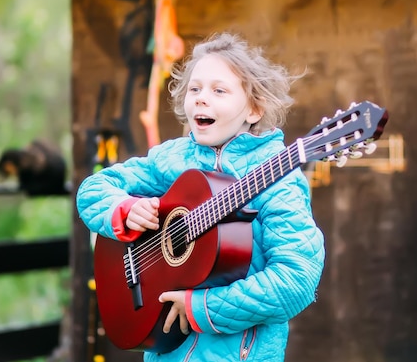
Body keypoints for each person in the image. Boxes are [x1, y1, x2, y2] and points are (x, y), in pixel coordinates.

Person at [76, 32, 325, 362]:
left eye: (219, 90)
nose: (201, 98)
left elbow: (297, 280)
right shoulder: (172, 159)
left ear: (254, 109)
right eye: (194, 89)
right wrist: (125, 210)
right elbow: (93, 189)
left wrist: (202, 308)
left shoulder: (277, 177)